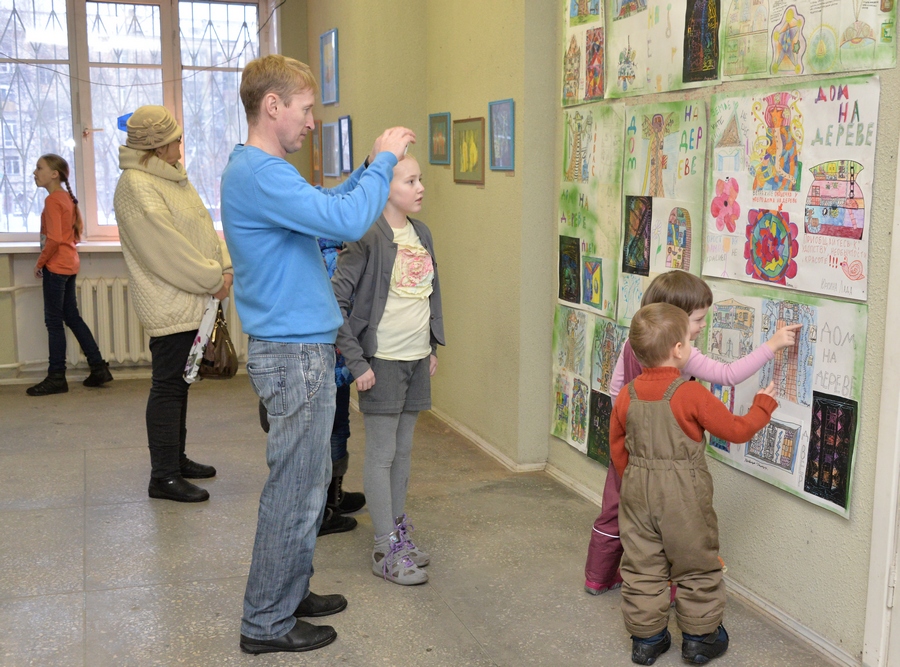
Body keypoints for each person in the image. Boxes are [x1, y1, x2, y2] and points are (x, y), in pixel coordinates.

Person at [220, 54, 415, 655]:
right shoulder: (260, 172)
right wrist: (383, 160)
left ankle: (288, 591)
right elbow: (350, 220)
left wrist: (364, 171)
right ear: (272, 106)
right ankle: (266, 623)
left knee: (306, 487)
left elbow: (329, 210)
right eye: (306, 110)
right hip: (292, 353)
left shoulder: (265, 170)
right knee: (297, 490)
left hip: (298, 348)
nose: (311, 122)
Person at [583, 270, 800, 596]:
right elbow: (728, 375)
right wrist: (772, 344)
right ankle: (672, 590)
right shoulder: (683, 353)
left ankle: (598, 577)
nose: (702, 327)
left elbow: (616, 390)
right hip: (670, 464)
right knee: (674, 525)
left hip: (630, 450)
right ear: (676, 327)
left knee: (617, 510)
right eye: (698, 320)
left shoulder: (634, 343)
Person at [610, 303, 777, 665]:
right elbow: (735, 429)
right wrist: (763, 405)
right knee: (696, 562)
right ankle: (700, 640)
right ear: (679, 350)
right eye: (688, 338)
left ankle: (647, 640)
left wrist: (634, 485)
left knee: (641, 564)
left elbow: (617, 446)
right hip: (682, 493)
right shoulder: (690, 393)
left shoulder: (628, 394)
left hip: (636, 490)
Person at [332, 154, 444, 587]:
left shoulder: (422, 233)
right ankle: (384, 547)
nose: (420, 187)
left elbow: (427, 294)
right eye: (409, 180)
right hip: (381, 364)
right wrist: (356, 362)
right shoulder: (365, 237)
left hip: (416, 360)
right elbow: (336, 304)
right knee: (380, 455)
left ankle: (397, 530)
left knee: (404, 451)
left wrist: (431, 346)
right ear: (385, 186)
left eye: (420, 180)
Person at [113, 105, 232, 504]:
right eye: (175, 139)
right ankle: (162, 477)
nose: (182, 145)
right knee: (167, 387)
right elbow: (168, 251)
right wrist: (215, 279)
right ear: (157, 146)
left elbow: (202, 227)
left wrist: (224, 267)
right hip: (169, 303)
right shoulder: (136, 185)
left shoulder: (172, 178)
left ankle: (175, 460)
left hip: (194, 297)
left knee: (180, 385)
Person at [256, 236, 367, 537]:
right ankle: (323, 509)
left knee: (329, 430)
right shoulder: (335, 257)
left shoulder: (297, 249)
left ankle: (332, 499)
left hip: (320, 358)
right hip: (327, 359)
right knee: (330, 432)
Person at [27, 154, 113, 396]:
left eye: (39, 168)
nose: (35, 172)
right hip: (70, 265)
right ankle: (98, 367)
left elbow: (53, 238)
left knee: (53, 323)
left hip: (56, 267)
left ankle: (56, 377)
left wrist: (40, 263)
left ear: (54, 174)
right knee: (72, 317)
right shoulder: (66, 198)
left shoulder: (54, 200)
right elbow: (72, 236)